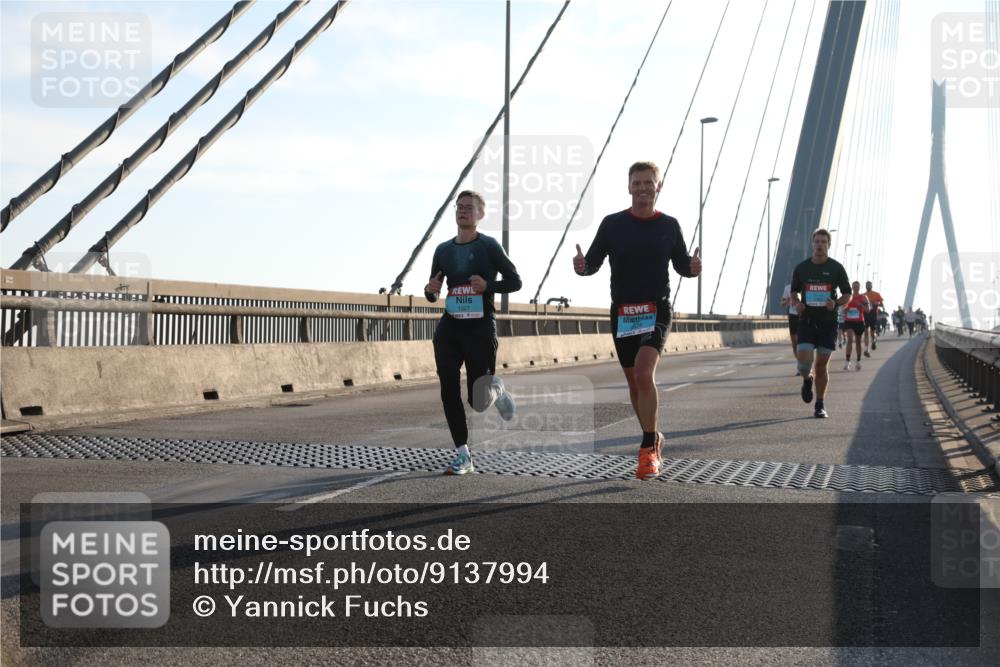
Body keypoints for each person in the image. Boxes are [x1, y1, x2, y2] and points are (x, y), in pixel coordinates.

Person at [573, 161, 701, 479]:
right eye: (637, 182)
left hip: (656, 310)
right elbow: (593, 263)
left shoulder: (669, 225)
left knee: (644, 375)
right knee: (634, 382)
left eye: (648, 183)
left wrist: (693, 267)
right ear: (628, 186)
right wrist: (581, 266)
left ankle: (647, 449)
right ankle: (654, 435)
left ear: (658, 187)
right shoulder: (612, 224)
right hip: (623, 313)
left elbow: (682, 266)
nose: (643, 188)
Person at [424, 190, 522, 475]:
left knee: (477, 402)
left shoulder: (489, 246)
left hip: (480, 328)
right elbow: (433, 291)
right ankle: (463, 455)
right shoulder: (443, 250)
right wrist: (430, 292)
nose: (463, 211)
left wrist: (488, 286)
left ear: (480, 215)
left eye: (469, 207)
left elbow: (515, 281)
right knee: (448, 389)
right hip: (450, 328)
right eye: (459, 207)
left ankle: (497, 388)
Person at [789, 228, 852, 418]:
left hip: (828, 323)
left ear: (829, 245)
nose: (820, 245)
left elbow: (847, 294)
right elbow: (794, 291)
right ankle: (807, 380)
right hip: (807, 321)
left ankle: (820, 404)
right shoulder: (801, 268)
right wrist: (798, 302)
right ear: (812, 244)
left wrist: (836, 303)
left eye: (824, 242)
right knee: (803, 365)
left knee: (822, 365)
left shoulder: (837, 268)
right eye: (817, 241)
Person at [842, 281, 869, 371]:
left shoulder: (863, 297)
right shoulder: (849, 297)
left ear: (859, 288)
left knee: (858, 342)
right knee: (849, 339)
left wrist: (860, 305)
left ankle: (858, 361)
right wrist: (846, 309)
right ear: (852, 288)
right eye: (854, 287)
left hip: (859, 321)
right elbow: (843, 309)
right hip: (849, 321)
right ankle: (847, 361)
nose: (855, 288)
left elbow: (867, 310)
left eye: (857, 287)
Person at [780, 283, 799, 365]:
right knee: (794, 344)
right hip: (792, 316)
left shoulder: (804, 285)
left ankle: (805, 363)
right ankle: (799, 362)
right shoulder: (788, 288)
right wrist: (787, 301)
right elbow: (781, 303)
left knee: (803, 342)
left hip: (803, 315)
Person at [862, 281, 883, 355]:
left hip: (873, 313)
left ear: (871, 286)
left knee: (872, 331)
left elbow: (882, 304)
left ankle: (874, 341)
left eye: (869, 285)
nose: (868, 286)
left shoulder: (877, 294)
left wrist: (876, 303)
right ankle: (866, 349)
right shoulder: (863, 295)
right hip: (865, 314)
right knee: (866, 331)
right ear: (865, 286)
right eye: (867, 285)